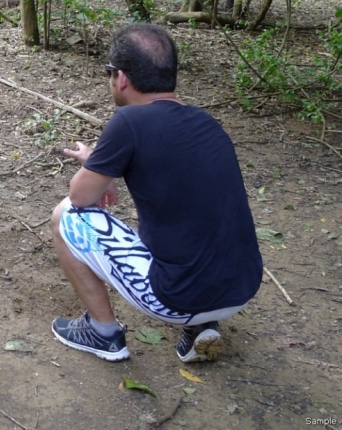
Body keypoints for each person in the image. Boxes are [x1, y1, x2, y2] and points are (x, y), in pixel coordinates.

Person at [50, 23, 262, 363]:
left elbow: (81, 198)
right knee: (191, 221)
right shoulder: (207, 123)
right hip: (241, 287)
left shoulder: (130, 121)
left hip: (174, 298)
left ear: (121, 78)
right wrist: (104, 166)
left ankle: (102, 332)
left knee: (64, 215)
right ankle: (202, 325)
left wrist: (98, 170)